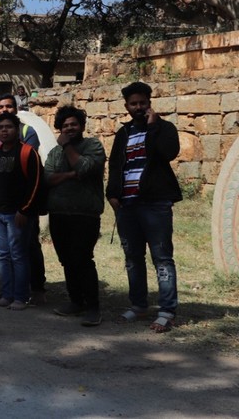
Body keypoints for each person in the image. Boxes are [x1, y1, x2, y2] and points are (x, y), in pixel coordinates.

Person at [106, 81, 182, 333]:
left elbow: (168, 153)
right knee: (132, 258)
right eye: (133, 104)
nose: (138, 107)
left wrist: (152, 129)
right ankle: (138, 306)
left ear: (149, 103)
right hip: (127, 205)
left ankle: (167, 311)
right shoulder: (123, 133)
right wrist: (112, 193)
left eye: (142, 103)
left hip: (155, 204)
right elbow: (116, 165)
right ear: (126, 107)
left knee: (161, 258)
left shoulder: (165, 128)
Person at [45, 106, 106, 326]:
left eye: (74, 124)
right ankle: (75, 301)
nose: (70, 128)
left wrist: (68, 147)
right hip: (59, 213)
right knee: (66, 259)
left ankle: (93, 307)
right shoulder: (54, 152)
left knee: (82, 259)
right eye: (65, 125)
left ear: (81, 125)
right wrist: (72, 174)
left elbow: (85, 167)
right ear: (59, 128)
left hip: (85, 214)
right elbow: (48, 179)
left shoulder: (93, 146)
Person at [0, 93, 46, 304]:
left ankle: (21, 297)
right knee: (3, 256)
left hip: (18, 214)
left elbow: (36, 184)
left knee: (19, 255)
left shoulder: (27, 152)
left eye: (9, 127)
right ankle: (7, 295)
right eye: (1, 128)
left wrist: (24, 210)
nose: (5, 131)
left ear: (17, 130)